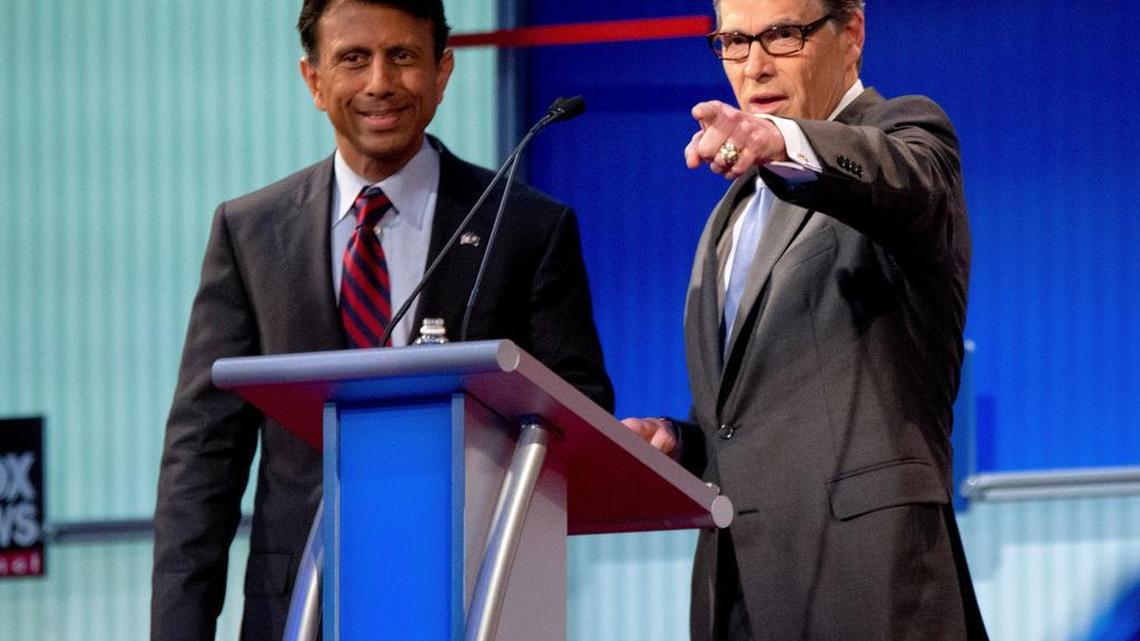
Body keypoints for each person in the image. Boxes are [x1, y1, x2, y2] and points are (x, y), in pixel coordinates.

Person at [150, 1, 613, 639]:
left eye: (402, 56)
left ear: (442, 72)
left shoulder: (525, 226)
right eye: (353, 59)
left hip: (471, 598)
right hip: (297, 612)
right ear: (314, 80)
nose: (379, 82)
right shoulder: (250, 233)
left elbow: (580, 414)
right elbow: (202, 458)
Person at [622, 0, 988, 639]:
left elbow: (906, 178)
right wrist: (681, 443)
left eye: (782, 35)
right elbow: (751, 425)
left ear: (851, 33)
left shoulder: (906, 137)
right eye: (734, 41)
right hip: (739, 595)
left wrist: (781, 141)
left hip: (870, 589)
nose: (754, 66)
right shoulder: (732, 213)